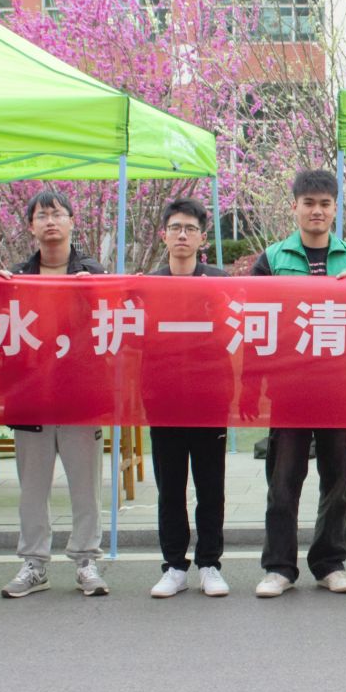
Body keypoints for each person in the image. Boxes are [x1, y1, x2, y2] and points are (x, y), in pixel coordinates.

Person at [249, 168, 346, 598]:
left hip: (340, 387)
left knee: (337, 481)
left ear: (335, 208)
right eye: (309, 203)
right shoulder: (270, 259)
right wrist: (251, 387)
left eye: (325, 203)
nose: (317, 211)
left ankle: (330, 562)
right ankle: (279, 566)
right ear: (295, 208)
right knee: (283, 482)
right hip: (289, 388)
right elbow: (256, 324)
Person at [0, 190, 109, 598]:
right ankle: (34, 563)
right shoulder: (16, 276)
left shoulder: (94, 273)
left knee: (86, 487)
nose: (50, 221)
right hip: (32, 397)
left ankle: (86, 560)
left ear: (71, 222)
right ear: (31, 226)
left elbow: (115, 325)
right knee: (33, 487)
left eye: (57, 214)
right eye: (42, 215)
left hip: (81, 397)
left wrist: (95, 291)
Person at [147, 195, 230, 600]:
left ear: (202, 238)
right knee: (170, 487)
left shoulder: (219, 283)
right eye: (176, 228)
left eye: (191, 229)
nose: (183, 235)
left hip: (210, 399)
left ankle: (210, 563)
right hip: (162, 400)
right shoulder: (148, 285)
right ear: (164, 234)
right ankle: (174, 565)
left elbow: (236, 337)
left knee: (211, 486)